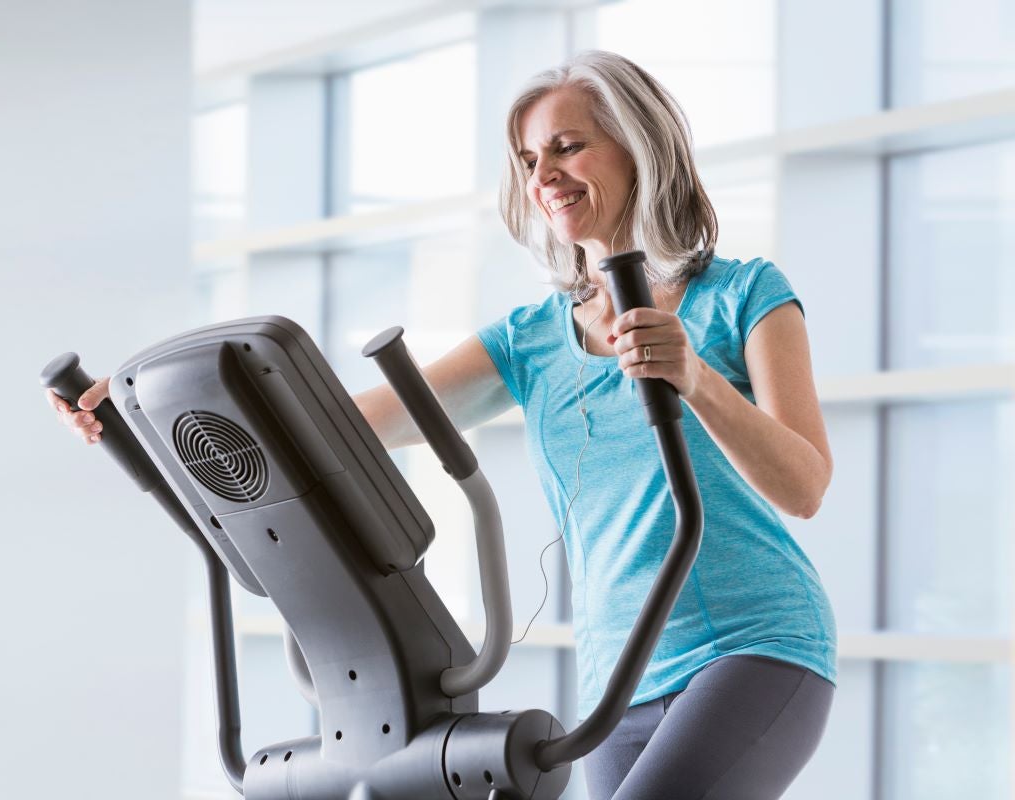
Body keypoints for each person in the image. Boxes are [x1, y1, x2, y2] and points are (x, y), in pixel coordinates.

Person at [48, 50, 836, 800]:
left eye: (568, 146)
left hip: (755, 646)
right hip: (621, 677)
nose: (545, 175)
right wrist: (146, 416)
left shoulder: (742, 295)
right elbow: (341, 432)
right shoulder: (530, 338)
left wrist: (694, 377)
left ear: (640, 149)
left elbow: (804, 485)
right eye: (529, 160)